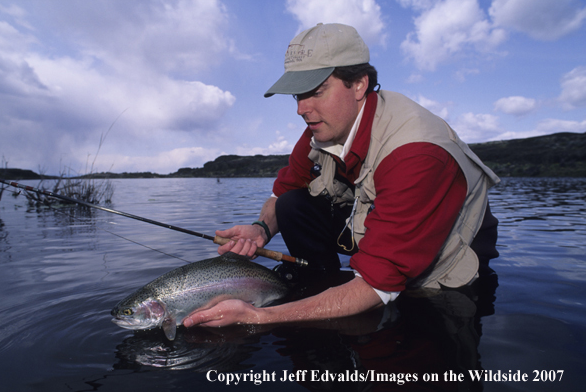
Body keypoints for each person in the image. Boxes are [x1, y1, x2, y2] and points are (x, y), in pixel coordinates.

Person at [183, 23, 500, 328]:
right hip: (374, 227)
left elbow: (378, 287)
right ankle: (323, 283)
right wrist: (261, 230)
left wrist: (259, 317)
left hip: (448, 260)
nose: (301, 109)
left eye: (317, 91)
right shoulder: (321, 131)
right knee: (291, 205)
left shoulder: (417, 154)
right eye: (297, 95)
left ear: (359, 84)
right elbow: (284, 191)